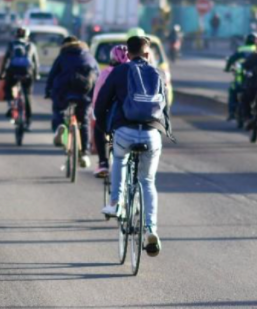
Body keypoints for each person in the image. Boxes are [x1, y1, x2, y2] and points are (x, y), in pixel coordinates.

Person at [95, 36, 173, 258]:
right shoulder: (157, 73)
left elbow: (101, 103)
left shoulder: (120, 71)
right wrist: (164, 130)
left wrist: (104, 128)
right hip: (151, 133)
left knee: (119, 159)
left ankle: (116, 202)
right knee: (147, 181)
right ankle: (151, 229)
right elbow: (165, 107)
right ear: (148, 54)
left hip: (124, 131)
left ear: (128, 54)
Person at [45, 35, 99, 168]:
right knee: (84, 121)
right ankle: (85, 153)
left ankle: (59, 126)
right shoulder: (89, 56)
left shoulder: (63, 56)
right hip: (84, 92)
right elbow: (97, 75)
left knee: (59, 109)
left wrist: (48, 91)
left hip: (64, 91)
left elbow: (52, 75)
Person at [90, 45, 130, 177]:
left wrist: (96, 113)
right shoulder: (134, 71)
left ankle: (103, 162)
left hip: (111, 115)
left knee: (99, 130)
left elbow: (98, 97)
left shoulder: (107, 73)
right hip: (133, 115)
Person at [0, 27, 39, 129]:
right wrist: (36, 75)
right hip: (27, 72)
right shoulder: (31, 45)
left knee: (7, 87)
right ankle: (28, 120)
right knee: (27, 95)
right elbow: (36, 63)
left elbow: (6, 60)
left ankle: (11, 106)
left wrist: (2, 73)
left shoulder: (12, 44)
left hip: (13, 71)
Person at [224, 33, 257, 121]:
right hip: (255, 81)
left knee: (233, 90)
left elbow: (231, 59)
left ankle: (231, 112)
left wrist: (227, 68)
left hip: (241, 79)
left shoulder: (241, 49)